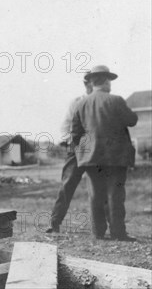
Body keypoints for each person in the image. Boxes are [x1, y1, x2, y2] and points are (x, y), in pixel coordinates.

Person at [71, 65, 138, 241]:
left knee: (95, 196)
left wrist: (85, 151)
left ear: (92, 83)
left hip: (91, 158)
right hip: (116, 157)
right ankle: (118, 233)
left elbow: (75, 134)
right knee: (115, 195)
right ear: (106, 81)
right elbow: (132, 120)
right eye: (110, 81)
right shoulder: (116, 100)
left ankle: (98, 233)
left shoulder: (81, 104)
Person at [45, 73, 93, 233]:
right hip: (78, 149)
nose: (91, 86)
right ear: (86, 84)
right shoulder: (77, 102)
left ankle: (104, 228)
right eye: (89, 83)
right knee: (67, 185)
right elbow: (65, 126)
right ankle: (54, 222)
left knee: (101, 187)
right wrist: (71, 143)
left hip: (97, 151)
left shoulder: (103, 101)